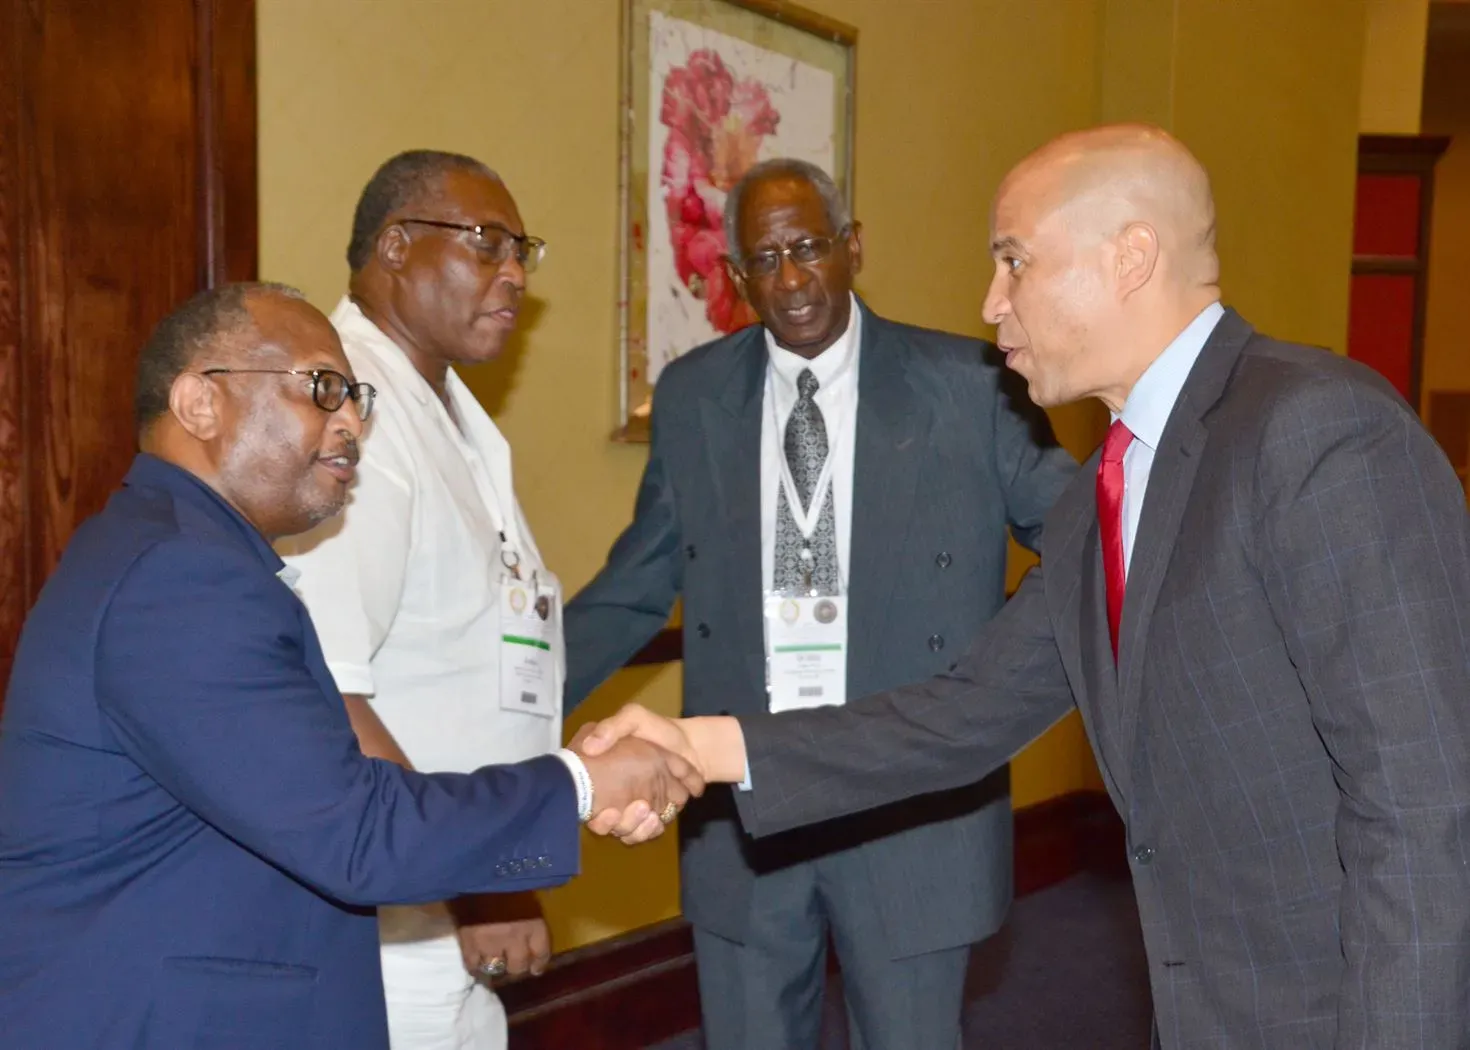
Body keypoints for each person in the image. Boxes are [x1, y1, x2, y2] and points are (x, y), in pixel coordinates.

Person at [581, 125, 1470, 1048]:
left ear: (1130, 257)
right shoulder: (1101, 495)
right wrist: (691, 743)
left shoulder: (1319, 432)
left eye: (1014, 262)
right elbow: (961, 717)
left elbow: (1424, 809)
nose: (991, 301)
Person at [0, 282, 697, 1050]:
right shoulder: (179, 579)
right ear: (201, 403)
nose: (353, 424)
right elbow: (359, 833)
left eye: (358, 397)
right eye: (323, 390)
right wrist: (584, 782)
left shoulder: (184, 554)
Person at [563, 157, 1076, 1050]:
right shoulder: (692, 399)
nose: (792, 279)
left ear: (853, 246)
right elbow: (637, 585)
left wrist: (993, 681)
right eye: (764, 260)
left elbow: (1082, 541)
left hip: (909, 800)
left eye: (809, 248)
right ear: (735, 278)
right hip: (745, 800)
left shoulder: (971, 387)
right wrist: (514, 708)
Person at [275, 150, 561, 1050]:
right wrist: (487, 881)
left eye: (521, 251)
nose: (513, 272)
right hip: (403, 917)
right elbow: (328, 687)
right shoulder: (355, 410)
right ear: (394, 247)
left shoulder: (439, 403)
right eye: (486, 244)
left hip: (444, 899)